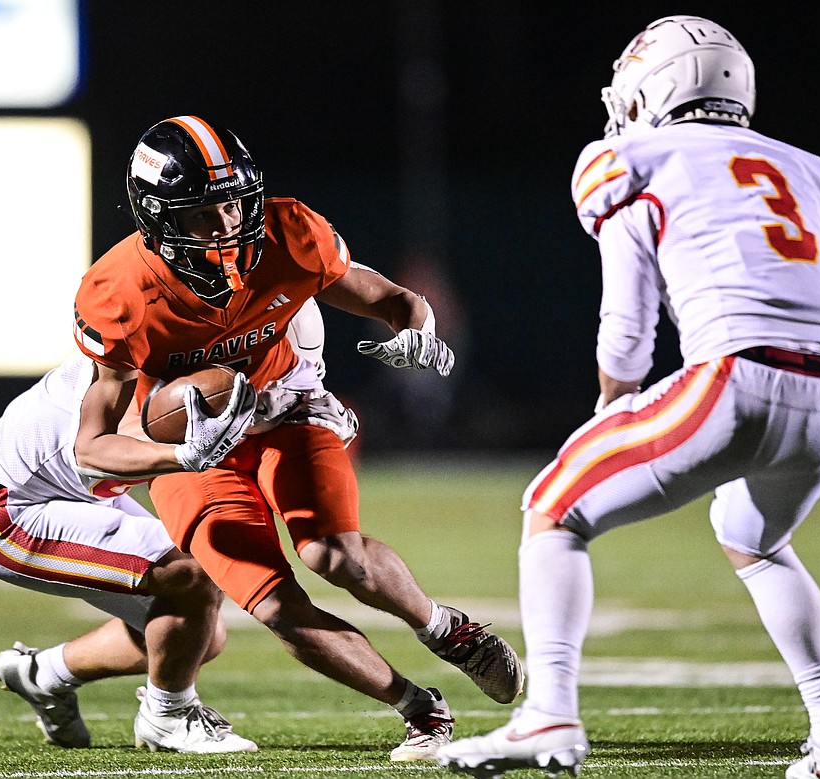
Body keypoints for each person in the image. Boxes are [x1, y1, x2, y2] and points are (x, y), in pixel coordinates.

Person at [436, 15, 820, 779]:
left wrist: (614, 401)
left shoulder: (632, 157)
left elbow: (626, 325)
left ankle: (548, 712)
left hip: (737, 376)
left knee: (553, 505)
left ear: (650, 89)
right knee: (754, 538)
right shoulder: (799, 170)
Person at [68, 114, 524, 761]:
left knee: (335, 555)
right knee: (275, 602)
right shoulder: (120, 291)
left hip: (287, 409)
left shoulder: (290, 233)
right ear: (158, 216)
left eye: (232, 204)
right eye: (202, 213)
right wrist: (176, 454)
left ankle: (446, 628)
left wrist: (415, 329)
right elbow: (93, 446)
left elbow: (393, 298)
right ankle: (419, 708)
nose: (226, 225)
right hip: (195, 445)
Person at [0, 350, 258, 753]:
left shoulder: (172, 363)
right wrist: (183, 455)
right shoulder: (119, 362)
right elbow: (92, 452)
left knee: (200, 636)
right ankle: (168, 717)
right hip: (10, 511)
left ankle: (42, 674)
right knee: (190, 575)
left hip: (75, 497)